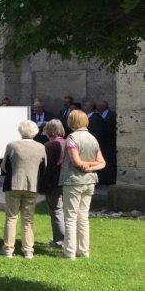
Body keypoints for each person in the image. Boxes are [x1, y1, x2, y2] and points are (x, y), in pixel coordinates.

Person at [59, 110, 106, 260]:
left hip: (74, 180)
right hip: (90, 181)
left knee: (71, 218)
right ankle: (84, 251)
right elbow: (102, 163)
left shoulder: (72, 137)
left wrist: (85, 165)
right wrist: (91, 166)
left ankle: (69, 252)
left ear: (71, 122)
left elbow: (76, 162)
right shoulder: (93, 138)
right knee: (83, 217)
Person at [0, 120, 47, 259]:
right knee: (28, 218)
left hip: (13, 184)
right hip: (32, 185)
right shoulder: (41, 147)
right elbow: (44, 167)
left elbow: (4, 166)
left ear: (20, 131)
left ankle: (8, 249)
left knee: (11, 217)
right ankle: (28, 250)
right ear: (35, 132)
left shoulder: (12, 145)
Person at [40, 119, 67, 249]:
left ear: (48, 130)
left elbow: (47, 167)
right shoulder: (67, 142)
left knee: (56, 211)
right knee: (66, 211)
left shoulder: (50, 145)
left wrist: (43, 184)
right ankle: (67, 239)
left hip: (54, 182)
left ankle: (59, 241)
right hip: (67, 181)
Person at [96, 100, 117, 185]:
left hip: (109, 143)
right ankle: (102, 179)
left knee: (109, 161)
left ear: (103, 106)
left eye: (98, 106)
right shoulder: (97, 115)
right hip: (100, 143)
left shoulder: (112, 115)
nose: (96, 107)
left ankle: (110, 180)